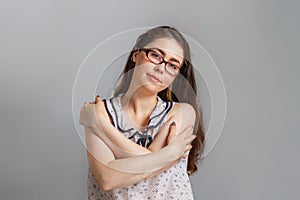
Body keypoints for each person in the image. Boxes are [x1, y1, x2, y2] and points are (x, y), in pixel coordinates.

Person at [79, 26, 205, 200]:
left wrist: (101, 127)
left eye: (172, 65)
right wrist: (169, 153)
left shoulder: (182, 112)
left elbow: (150, 171)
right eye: (156, 55)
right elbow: (107, 178)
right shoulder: (100, 110)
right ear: (136, 54)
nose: (161, 68)